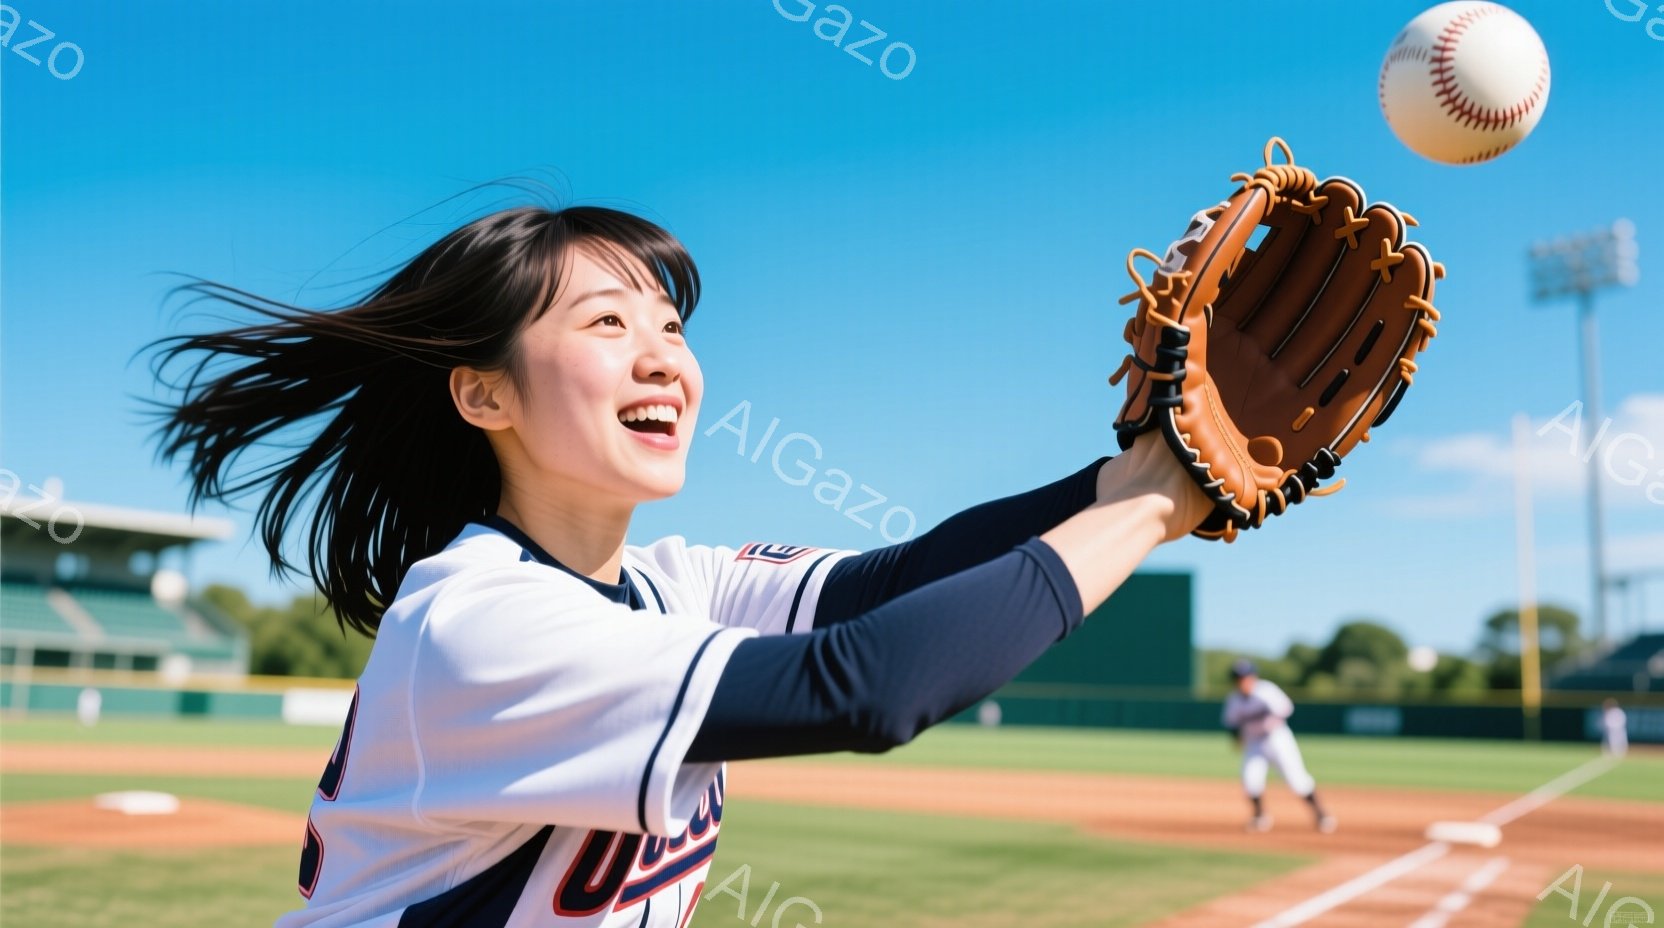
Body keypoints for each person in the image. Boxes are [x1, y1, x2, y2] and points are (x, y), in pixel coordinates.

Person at [151, 204, 1213, 927]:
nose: (662, 354)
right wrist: (1157, 500)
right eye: (606, 323)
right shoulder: (477, 619)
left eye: (668, 325)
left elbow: (899, 584)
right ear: (484, 395)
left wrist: (1139, 462)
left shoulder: (671, 582)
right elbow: (868, 686)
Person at [1221, 658, 1334, 834]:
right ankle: (1260, 817)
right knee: (1250, 779)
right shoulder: (1234, 700)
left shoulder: (1266, 691)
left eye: (1245, 676)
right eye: (1238, 678)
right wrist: (1237, 740)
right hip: (1255, 743)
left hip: (1277, 738)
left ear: (1253, 676)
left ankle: (1321, 815)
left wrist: (1268, 722)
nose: (1243, 681)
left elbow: (1286, 709)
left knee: (1296, 779)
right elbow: (1232, 725)